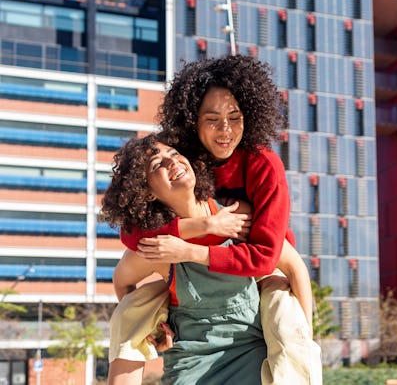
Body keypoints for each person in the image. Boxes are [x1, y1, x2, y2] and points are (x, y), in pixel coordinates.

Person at [126, 55, 322, 384]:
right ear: (193, 120)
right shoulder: (180, 159)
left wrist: (192, 250)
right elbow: (131, 233)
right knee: (125, 313)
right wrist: (204, 227)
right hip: (191, 272)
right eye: (212, 118)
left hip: (264, 274)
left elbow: (267, 258)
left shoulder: (264, 165)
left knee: (290, 334)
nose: (225, 130)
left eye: (235, 116)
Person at [102, 134, 270, 384]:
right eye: (157, 165)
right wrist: (155, 326)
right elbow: (122, 282)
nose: (171, 162)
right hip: (191, 365)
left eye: (173, 153)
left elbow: (289, 265)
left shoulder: (235, 216)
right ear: (146, 193)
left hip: (251, 351)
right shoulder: (159, 248)